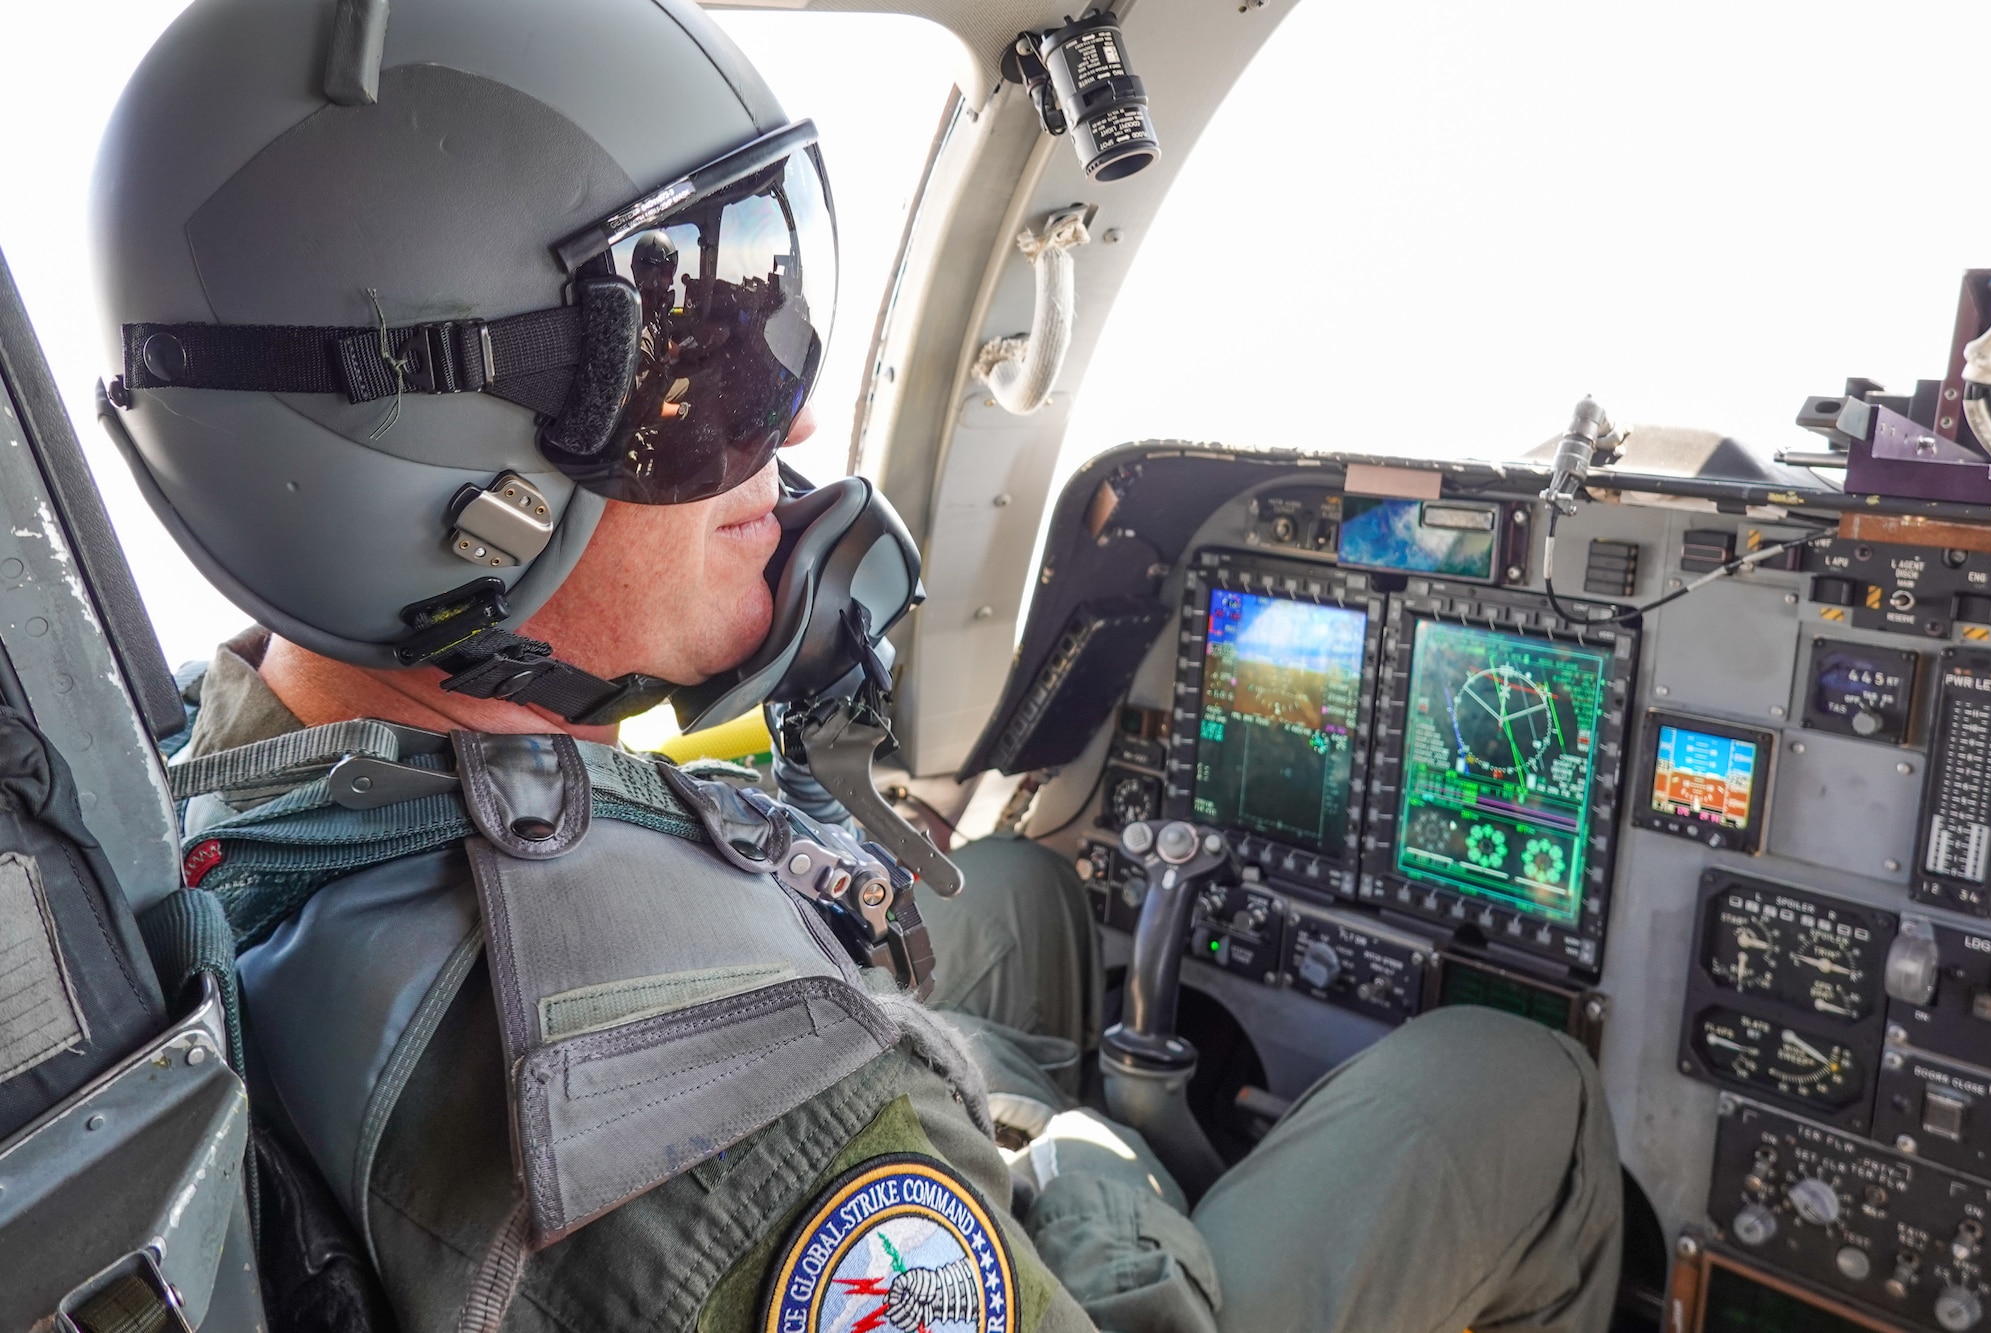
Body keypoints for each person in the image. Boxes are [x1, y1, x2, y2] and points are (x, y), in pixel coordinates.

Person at [92, 1, 1622, 1330]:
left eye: (768, 298)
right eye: (698, 362)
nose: (797, 422)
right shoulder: (741, 1135)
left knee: (1017, 890)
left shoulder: (200, 774)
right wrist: (1082, 1162)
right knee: (1513, 1084)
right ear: (455, 490)